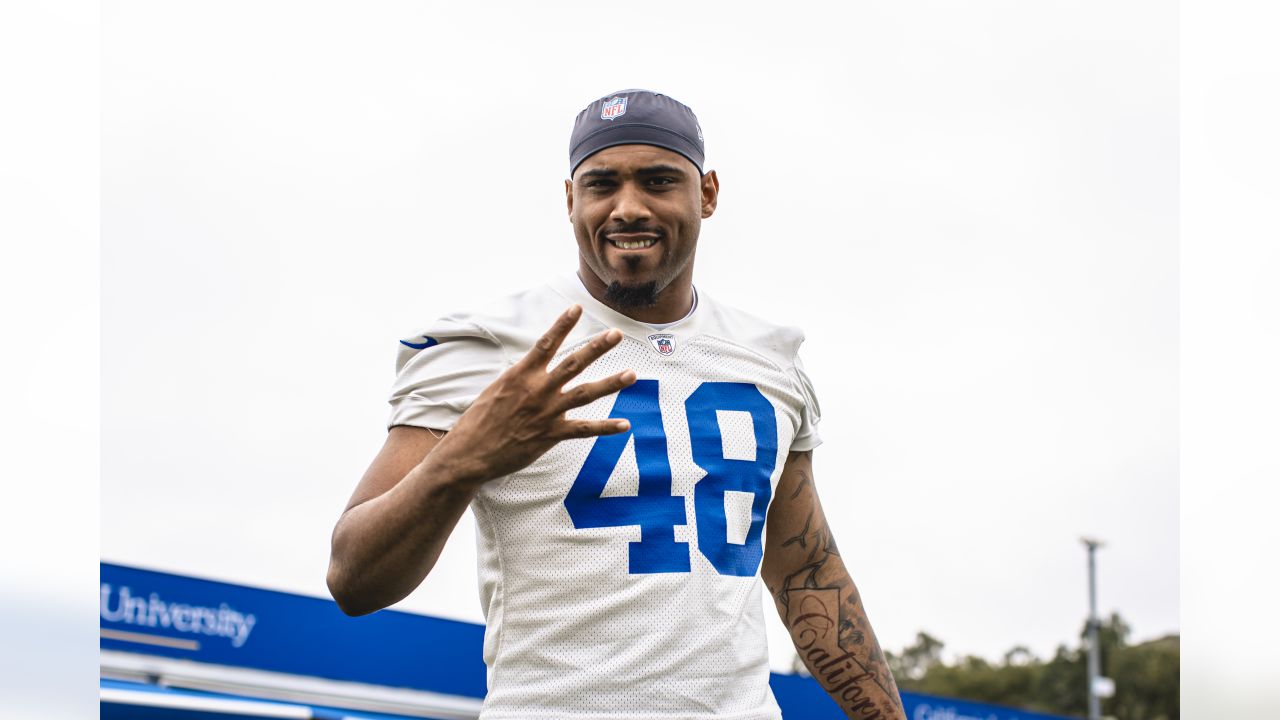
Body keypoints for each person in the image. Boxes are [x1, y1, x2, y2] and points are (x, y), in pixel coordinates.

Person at [326, 90, 906, 720]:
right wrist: (462, 458)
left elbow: (805, 572)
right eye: (602, 184)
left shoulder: (769, 358)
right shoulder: (491, 346)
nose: (628, 208)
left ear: (707, 194)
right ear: (571, 199)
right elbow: (355, 581)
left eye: (659, 181)